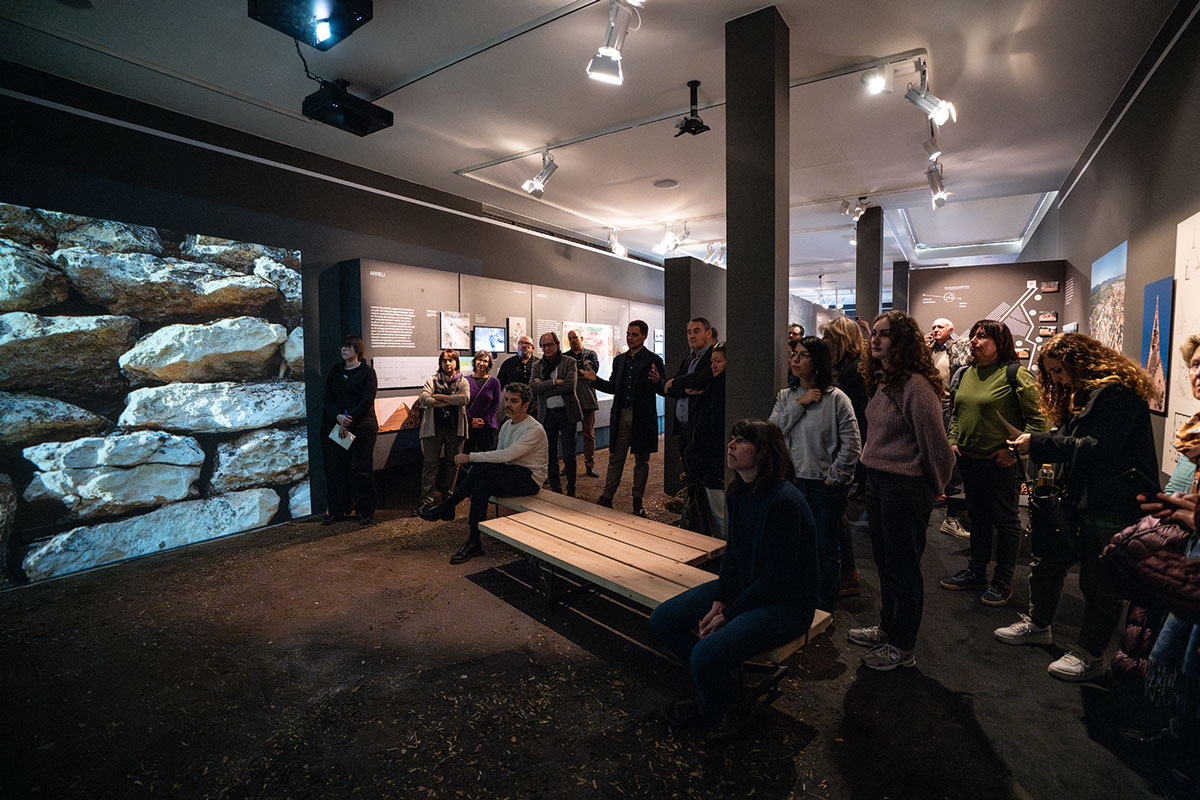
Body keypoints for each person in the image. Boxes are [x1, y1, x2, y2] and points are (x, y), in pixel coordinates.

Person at [1000, 332, 1158, 681]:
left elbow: (1099, 448)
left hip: (1111, 501)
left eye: (1059, 371)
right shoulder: (1091, 392)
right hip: (1081, 494)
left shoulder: (1117, 392)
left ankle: (1091, 654)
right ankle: (1039, 623)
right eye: (1052, 373)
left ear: (1079, 362)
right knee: (1048, 559)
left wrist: (1040, 442)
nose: (1057, 379)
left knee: (1100, 582)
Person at [649, 418, 818, 739]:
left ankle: (718, 711)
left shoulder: (784, 502)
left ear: (764, 452)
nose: (731, 445)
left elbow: (776, 579)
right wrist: (719, 600)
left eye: (741, 441)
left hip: (787, 604)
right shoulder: (738, 491)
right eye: (732, 438)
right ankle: (725, 684)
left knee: (703, 652)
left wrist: (728, 613)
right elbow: (733, 554)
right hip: (749, 589)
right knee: (662, 620)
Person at [849, 310, 954, 671]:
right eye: (874, 333)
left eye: (885, 334)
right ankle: (888, 629)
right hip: (879, 483)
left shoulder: (916, 387)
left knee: (904, 569)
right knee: (885, 563)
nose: (875, 339)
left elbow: (937, 447)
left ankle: (902, 647)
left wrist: (934, 488)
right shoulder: (885, 381)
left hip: (904, 488)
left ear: (904, 340)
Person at [939, 320, 1046, 606]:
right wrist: (953, 439)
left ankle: (1002, 581)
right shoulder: (965, 374)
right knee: (978, 517)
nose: (974, 340)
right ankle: (976, 572)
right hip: (970, 461)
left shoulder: (1015, 375)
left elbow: (1039, 423)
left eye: (982, 336)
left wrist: (1013, 453)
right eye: (973, 335)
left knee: (1007, 522)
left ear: (1000, 343)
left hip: (1000, 463)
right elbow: (958, 412)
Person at [771, 336, 861, 612]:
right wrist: (801, 403)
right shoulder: (786, 396)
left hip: (823, 485)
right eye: (794, 354)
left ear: (818, 361)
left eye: (803, 355)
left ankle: (822, 608)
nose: (795, 360)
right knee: (793, 545)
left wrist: (834, 477)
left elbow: (852, 444)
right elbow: (773, 433)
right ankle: (798, 599)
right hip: (791, 482)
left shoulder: (837, 400)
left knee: (824, 548)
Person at [418, 383, 548, 564]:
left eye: (514, 401)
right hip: (510, 474)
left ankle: (447, 507)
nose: (508, 404)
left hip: (529, 480)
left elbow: (506, 455)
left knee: (480, 468)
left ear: (525, 405)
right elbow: (501, 458)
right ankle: (474, 540)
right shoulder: (507, 425)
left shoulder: (533, 429)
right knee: (481, 485)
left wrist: (470, 457)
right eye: (507, 400)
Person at [579, 320, 666, 517]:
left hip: (642, 417)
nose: (630, 338)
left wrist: (659, 381)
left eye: (634, 334)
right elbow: (612, 387)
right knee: (615, 457)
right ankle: (607, 496)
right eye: (628, 334)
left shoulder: (653, 360)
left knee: (642, 460)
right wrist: (595, 380)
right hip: (621, 414)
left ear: (644, 336)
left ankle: (637, 500)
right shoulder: (620, 361)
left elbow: (662, 389)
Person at [823, 315, 869, 596]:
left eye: (829, 338)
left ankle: (847, 573)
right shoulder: (847, 369)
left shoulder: (852, 372)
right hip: (842, 448)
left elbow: (854, 420)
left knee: (835, 513)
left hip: (844, 450)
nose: (825, 343)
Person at [321, 334, 379, 525]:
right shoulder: (336, 371)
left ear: (357, 349)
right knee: (337, 467)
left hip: (362, 427)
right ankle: (338, 510)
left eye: (348, 347)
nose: (343, 350)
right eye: (342, 347)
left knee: (362, 468)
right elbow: (328, 399)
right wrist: (338, 416)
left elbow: (367, 399)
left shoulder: (367, 372)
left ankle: (366, 511)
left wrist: (349, 418)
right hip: (340, 427)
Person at [664, 317, 714, 530]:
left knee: (701, 477)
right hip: (684, 427)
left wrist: (676, 383)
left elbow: (702, 379)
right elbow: (670, 389)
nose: (692, 336)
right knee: (690, 475)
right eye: (689, 332)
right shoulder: (689, 359)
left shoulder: (712, 357)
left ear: (709, 333)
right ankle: (692, 518)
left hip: (700, 427)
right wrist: (681, 387)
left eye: (696, 331)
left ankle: (704, 524)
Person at [417, 349, 470, 510]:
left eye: (451, 360)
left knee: (452, 463)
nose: (448, 363)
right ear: (440, 363)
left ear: (456, 363)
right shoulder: (432, 380)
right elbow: (425, 398)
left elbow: (465, 399)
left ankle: (448, 497)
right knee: (430, 464)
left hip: (455, 428)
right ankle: (427, 501)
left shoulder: (463, 382)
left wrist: (439, 397)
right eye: (445, 360)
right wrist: (451, 401)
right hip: (434, 428)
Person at [684, 342, 727, 536]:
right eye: (712, 361)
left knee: (719, 512)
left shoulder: (720, 388)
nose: (713, 365)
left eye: (718, 361)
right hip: (706, 459)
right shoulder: (712, 385)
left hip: (713, 459)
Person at [531, 331, 580, 496]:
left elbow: (569, 386)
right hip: (547, 415)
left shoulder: (569, 362)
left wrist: (543, 387)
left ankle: (571, 489)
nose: (547, 348)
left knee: (569, 454)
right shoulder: (537, 366)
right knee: (550, 454)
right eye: (544, 345)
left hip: (567, 414)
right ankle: (556, 488)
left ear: (557, 344)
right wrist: (553, 382)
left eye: (550, 344)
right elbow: (532, 388)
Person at [566, 329, 601, 478]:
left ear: (581, 338)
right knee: (569, 435)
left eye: (575, 337)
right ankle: (568, 465)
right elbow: (564, 374)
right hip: (570, 400)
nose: (573, 340)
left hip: (587, 399)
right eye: (570, 338)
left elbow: (593, 372)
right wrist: (580, 373)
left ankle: (589, 465)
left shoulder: (591, 354)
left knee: (588, 434)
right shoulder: (565, 356)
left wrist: (574, 373)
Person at [463, 350, 502, 454]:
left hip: (487, 427)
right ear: (474, 361)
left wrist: (485, 420)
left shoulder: (494, 382)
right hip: (469, 426)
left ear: (489, 364)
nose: (482, 363)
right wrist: (471, 419)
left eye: (485, 361)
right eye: (479, 360)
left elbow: (496, 404)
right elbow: (463, 402)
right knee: (468, 457)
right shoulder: (465, 380)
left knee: (486, 458)